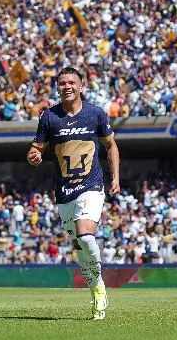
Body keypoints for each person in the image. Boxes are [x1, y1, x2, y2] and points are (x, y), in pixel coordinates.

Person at [27, 66, 121, 320]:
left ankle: (99, 285)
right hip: (64, 191)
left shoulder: (95, 114)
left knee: (86, 236)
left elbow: (111, 146)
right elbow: (36, 149)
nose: (67, 86)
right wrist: (33, 156)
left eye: (72, 82)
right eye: (62, 83)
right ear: (58, 88)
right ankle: (95, 289)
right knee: (79, 245)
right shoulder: (49, 117)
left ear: (81, 86)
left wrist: (115, 177)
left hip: (91, 184)